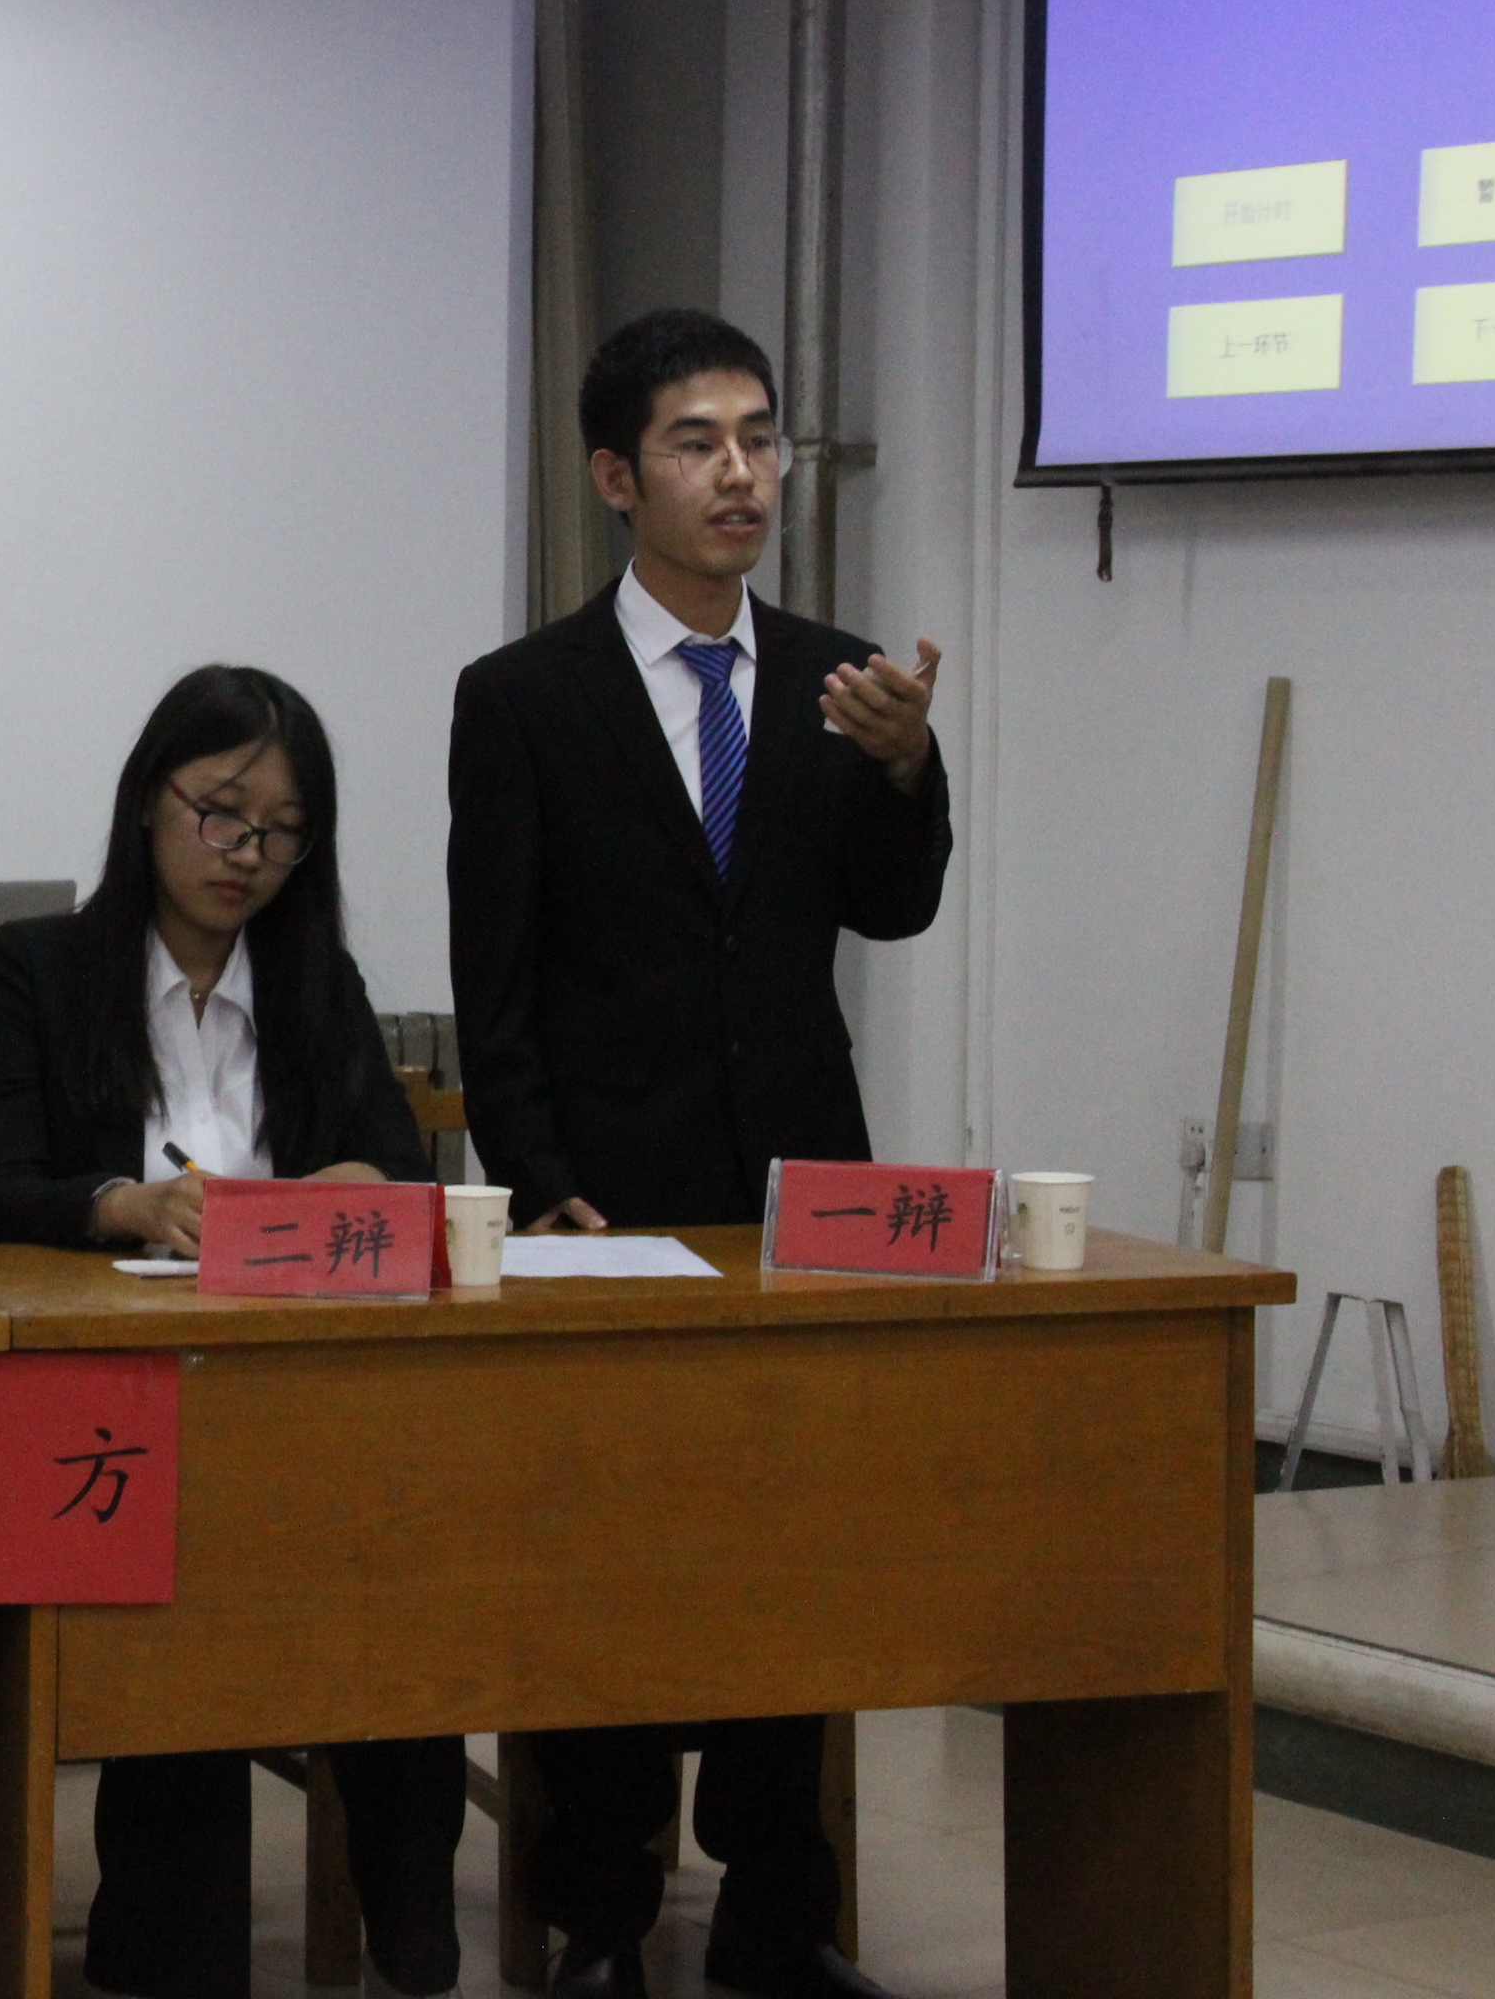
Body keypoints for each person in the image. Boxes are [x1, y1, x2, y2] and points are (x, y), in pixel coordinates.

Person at [446, 308, 951, 1999]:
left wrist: (907, 768)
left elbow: (890, 904)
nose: (740, 473)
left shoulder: (837, 677)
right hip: (609, 1204)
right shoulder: (523, 697)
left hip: (802, 1196)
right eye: (695, 442)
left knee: (790, 1559)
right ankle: (601, 1913)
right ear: (616, 475)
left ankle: (773, 1914)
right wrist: (535, 1182)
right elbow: (496, 976)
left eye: (758, 437)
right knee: (607, 1560)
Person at [0, 665, 463, 1999]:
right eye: (222, 814)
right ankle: (171, 1956)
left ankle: (415, 1944)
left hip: (300, 1399)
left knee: (403, 1595)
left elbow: (398, 1174)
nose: (246, 855)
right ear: (150, 800)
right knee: (182, 1608)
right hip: (114, 1401)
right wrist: (123, 1203)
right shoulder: (39, 968)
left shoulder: (315, 980)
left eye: (282, 833)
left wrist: (356, 1183)